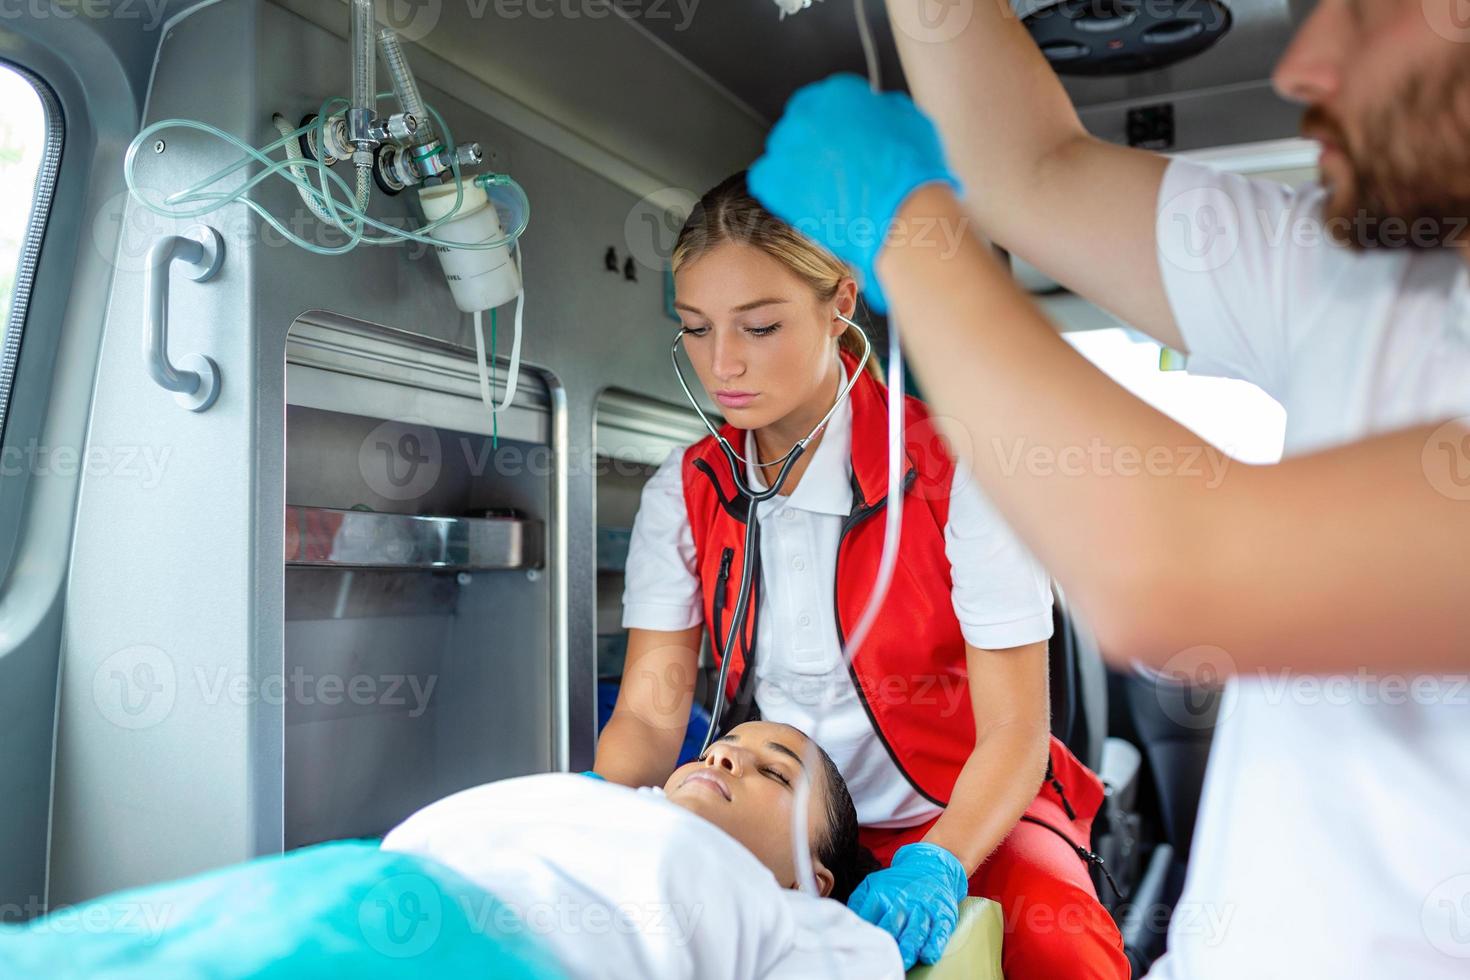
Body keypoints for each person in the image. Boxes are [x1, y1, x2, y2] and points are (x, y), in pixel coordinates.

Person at [743, 0, 1470, 974]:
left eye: (1368, 13)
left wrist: (906, 225)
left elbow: (1173, 575)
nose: (1304, 66)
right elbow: (1024, 168)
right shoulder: (1370, 271)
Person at [593, 172, 1127, 977]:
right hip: (793, 817)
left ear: (840, 304)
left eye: (760, 326)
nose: (722, 364)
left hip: (968, 805)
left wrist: (939, 861)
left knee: (1058, 945)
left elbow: (1017, 735)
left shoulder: (959, 470)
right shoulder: (689, 487)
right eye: (695, 330)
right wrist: (600, 824)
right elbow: (647, 712)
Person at [383, 721, 902, 979]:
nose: (721, 754)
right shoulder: (585, 802)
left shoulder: (798, 922)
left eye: (775, 772)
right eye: (714, 748)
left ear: (809, 882)